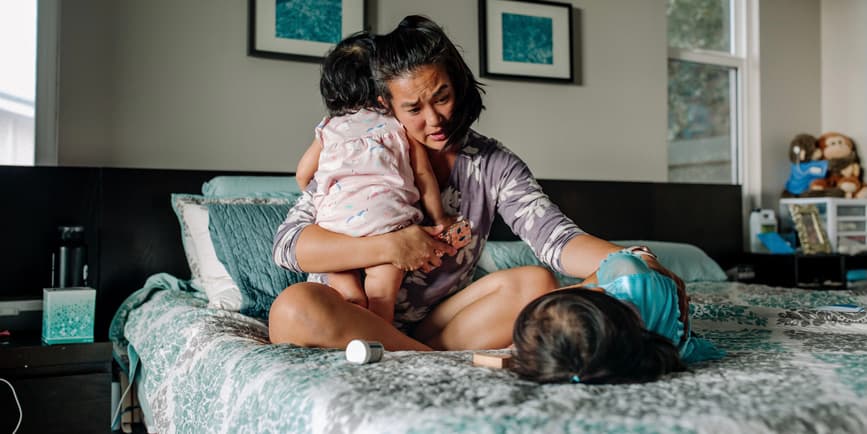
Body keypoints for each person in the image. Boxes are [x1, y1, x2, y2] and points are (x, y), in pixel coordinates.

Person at [269, 15, 685, 351]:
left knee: (535, 282)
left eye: (443, 97)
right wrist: (388, 246)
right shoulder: (361, 154)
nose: (434, 120)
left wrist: (633, 258)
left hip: (438, 325)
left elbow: (556, 239)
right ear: (386, 104)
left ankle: (401, 351)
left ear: (459, 84)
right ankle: (416, 358)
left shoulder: (492, 165)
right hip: (346, 316)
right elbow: (288, 245)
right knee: (291, 309)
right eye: (413, 108)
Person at [293, 31, 460, 324]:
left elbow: (303, 174)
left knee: (338, 264)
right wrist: (440, 217)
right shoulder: (399, 126)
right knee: (383, 285)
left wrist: (323, 194)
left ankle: (348, 293)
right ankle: (381, 322)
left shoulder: (329, 127)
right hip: (389, 221)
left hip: (338, 223)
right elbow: (423, 175)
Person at [511, 251, 723, 384]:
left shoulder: (648, 353)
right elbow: (631, 256)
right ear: (597, 294)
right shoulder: (628, 275)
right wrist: (645, 255)